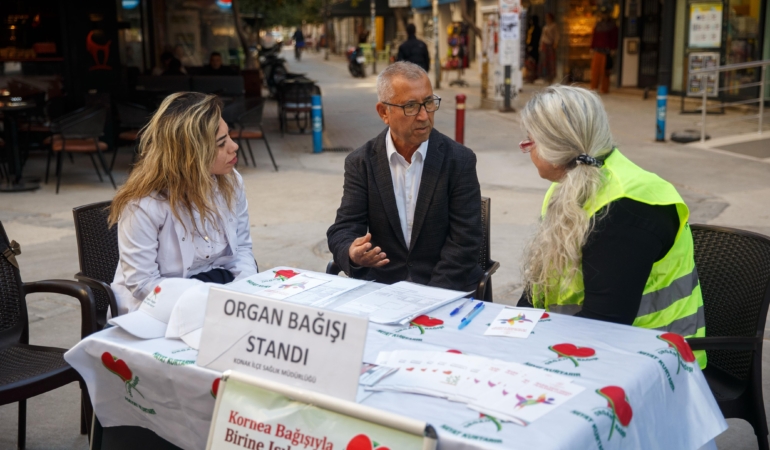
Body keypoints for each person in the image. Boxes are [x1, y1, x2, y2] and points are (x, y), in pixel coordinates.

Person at [516, 85, 706, 368]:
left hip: (654, 360)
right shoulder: (569, 185)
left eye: (529, 142)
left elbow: (606, 322)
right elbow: (539, 285)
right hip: (593, 343)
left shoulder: (626, 207)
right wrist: (512, 331)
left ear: (555, 149)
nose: (526, 149)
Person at [327, 61, 483, 291]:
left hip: (444, 288)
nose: (424, 116)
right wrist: (352, 252)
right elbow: (343, 228)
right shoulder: (362, 162)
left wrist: (428, 297)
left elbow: (465, 242)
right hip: (384, 288)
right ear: (384, 112)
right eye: (411, 106)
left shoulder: (459, 160)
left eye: (428, 103)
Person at [109, 92, 257, 315]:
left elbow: (242, 249)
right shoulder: (143, 204)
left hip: (220, 293)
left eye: (229, 136)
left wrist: (242, 292)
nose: (234, 146)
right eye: (221, 143)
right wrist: (210, 298)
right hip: (158, 308)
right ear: (190, 154)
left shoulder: (231, 181)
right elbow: (142, 284)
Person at [590, 9, 618, 93]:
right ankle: (594, 87)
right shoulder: (598, 25)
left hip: (606, 51)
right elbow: (594, 37)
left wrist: (613, 48)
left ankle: (604, 88)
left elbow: (614, 38)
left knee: (605, 72)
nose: (603, 16)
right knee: (595, 71)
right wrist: (592, 47)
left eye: (605, 14)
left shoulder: (612, 26)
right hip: (597, 50)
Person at [538, 13, 559, 84]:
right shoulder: (545, 27)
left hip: (550, 45)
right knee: (544, 61)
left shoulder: (554, 26)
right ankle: (545, 76)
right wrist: (540, 45)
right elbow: (542, 37)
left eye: (548, 18)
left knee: (551, 61)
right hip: (545, 44)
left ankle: (551, 76)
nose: (547, 19)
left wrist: (555, 43)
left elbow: (556, 35)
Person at [525, 15, 541, 83]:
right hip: (529, 46)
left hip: (534, 48)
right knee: (528, 62)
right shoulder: (530, 28)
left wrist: (532, 46)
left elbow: (536, 39)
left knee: (533, 62)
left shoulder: (537, 28)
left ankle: (533, 77)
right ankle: (528, 77)